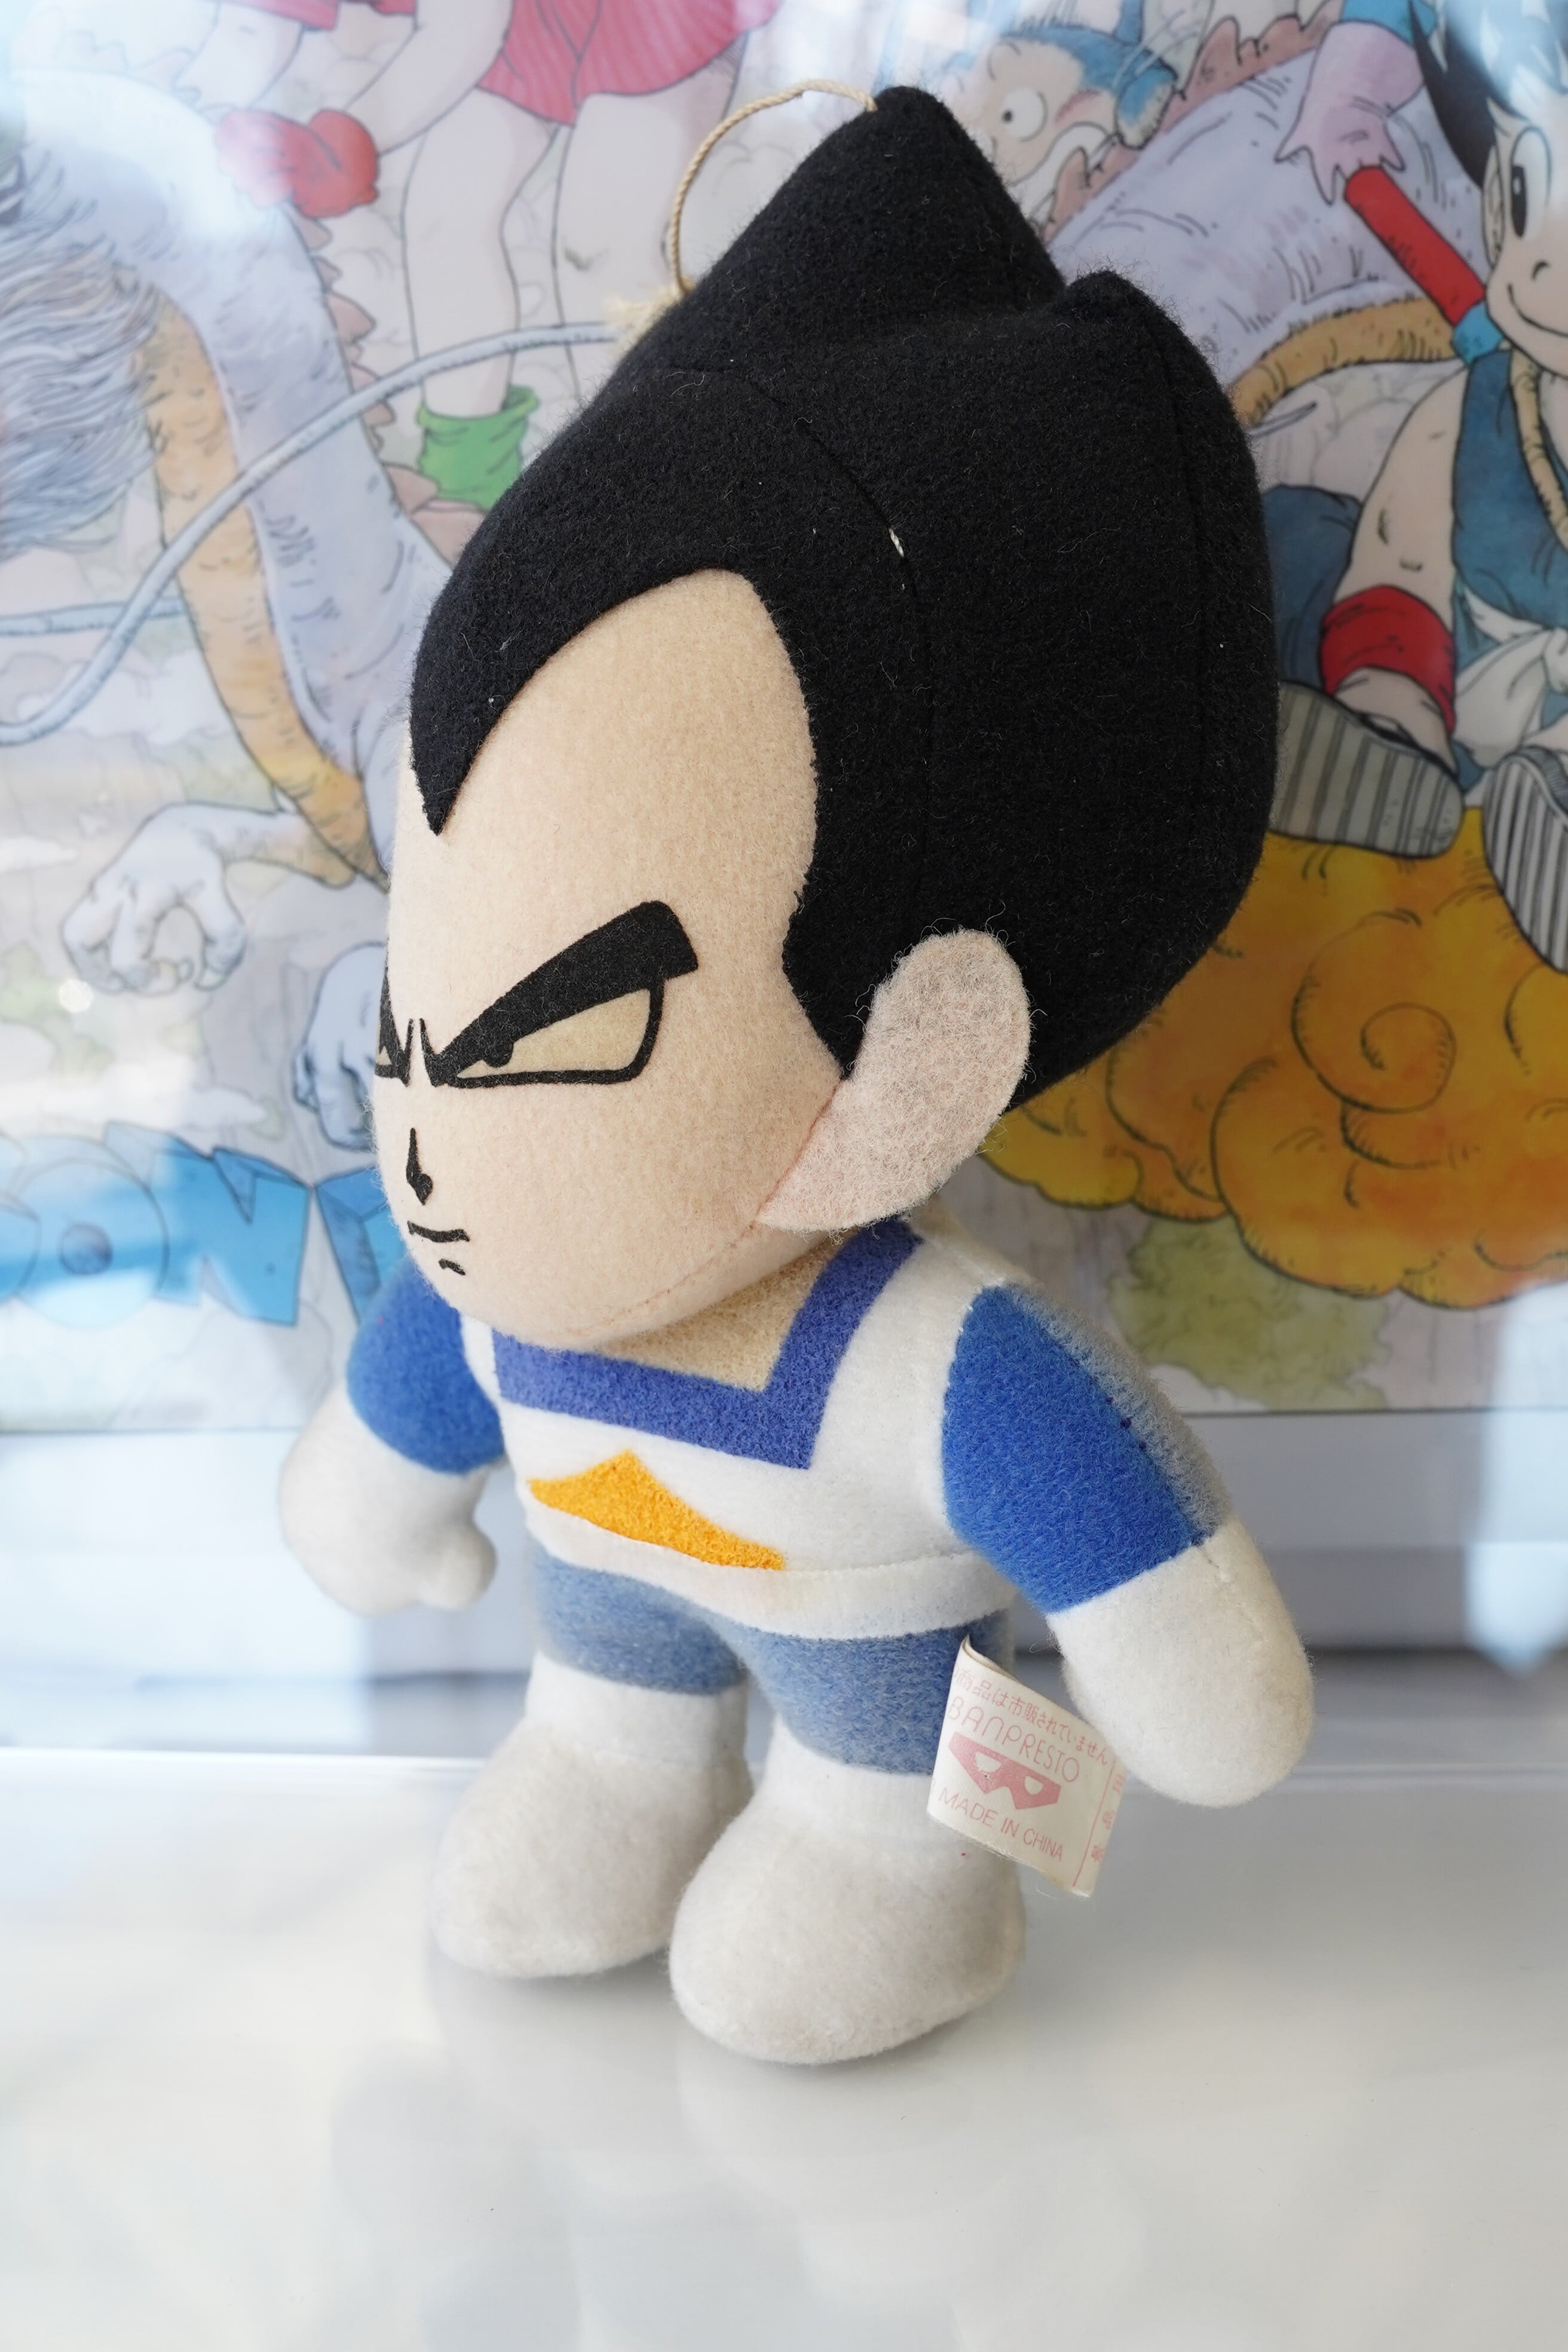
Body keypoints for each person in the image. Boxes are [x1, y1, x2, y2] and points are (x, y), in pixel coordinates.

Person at [204, 0, 778, 507]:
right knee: (441, 217)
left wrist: (340, 145)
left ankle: (637, 479)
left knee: (600, 249)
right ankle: (465, 475)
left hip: (649, 19)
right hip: (527, 26)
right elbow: (255, 28)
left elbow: (466, 30)